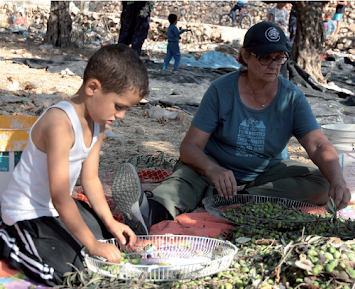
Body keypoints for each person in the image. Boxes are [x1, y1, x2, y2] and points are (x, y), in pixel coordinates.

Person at [112, 21, 351, 236]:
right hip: (212, 170)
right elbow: (190, 147)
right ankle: (147, 213)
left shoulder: (292, 98)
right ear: (245, 56)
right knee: (182, 181)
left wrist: (338, 180)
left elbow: (318, 144)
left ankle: (240, 200)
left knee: (324, 181)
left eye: (280, 58)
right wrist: (213, 170)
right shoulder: (221, 91)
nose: (274, 65)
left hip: (265, 176)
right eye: (266, 57)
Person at [0, 44, 149, 286]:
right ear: (93, 87)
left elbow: (90, 179)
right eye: (119, 106)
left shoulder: (99, 123)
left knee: (107, 248)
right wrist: (91, 243)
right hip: (27, 214)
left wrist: (110, 223)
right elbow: (59, 195)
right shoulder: (60, 124)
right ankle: (8, 238)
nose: (121, 115)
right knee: (70, 272)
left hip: (58, 210)